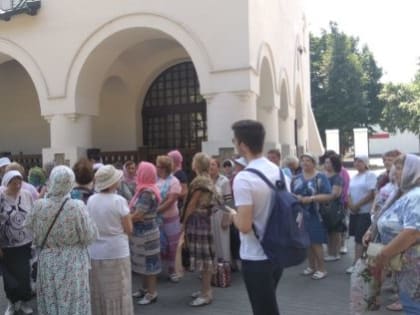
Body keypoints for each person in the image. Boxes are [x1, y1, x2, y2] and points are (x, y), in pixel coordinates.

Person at [25, 165, 98, 315]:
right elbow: (89, 236)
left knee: (51, 300)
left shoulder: (39, 206)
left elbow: (29, 228)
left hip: (48, 260)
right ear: (70, 182)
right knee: (74, 301)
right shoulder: (77, 207)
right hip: (73, 261)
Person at [229, 120, 284, 315]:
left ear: (243, 145)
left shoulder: (244, 178)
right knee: (267, 304)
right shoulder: (278, 171)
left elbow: (244, 226)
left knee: (264, 310)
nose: (234, 144)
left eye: (235, 140)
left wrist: (233, 215)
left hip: (255, 255)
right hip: (278, 250)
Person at [363, 154, 420, 314]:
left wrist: (384, 254)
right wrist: (372, 230)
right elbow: (387, 216)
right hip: (404, 264)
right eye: (395, 168)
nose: (394, 172)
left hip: (414, 267)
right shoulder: (402, 192)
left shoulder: (416, 196)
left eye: (400, 168)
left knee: (414, 307)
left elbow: (413, 233)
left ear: (414, 171)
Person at [87, 165, 134, 315]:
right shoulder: (119, 201)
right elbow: (129, 229)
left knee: (100, 290)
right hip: (117, 250)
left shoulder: (91, 200)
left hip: (96, 251)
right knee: (120, 290)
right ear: (112, 182)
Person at [182, 152, 217, 307]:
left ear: (196, 164)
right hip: (204, 220)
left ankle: (206, 293)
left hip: (198, 221)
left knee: (203, 258)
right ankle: (205, 289)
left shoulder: (199, 181)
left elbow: (191, 204)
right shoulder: (207, 179)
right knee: (204, 257)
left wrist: (183, 222)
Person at [291, 153, 331, 280]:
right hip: (300, 214)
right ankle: (311, 266)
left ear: (314, 163)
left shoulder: (320, 177)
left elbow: (328, 195)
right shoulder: (296, 178)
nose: (305, 163)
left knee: (316, 241)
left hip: (315, 214)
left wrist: (312, 198)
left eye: (308, 160)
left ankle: (322, 268)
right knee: (306, 241)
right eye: (302, 160)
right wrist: (296, 197)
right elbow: (291, 194)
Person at [0, 170, 34, 315]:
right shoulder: (1, 198)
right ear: (6, 183)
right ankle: (11, 303)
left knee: (24, 275)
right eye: (14, 183)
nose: (18, 185)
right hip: (7, 245)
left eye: (19, 182)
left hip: (26, 242)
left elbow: (33, 214)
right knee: (9, 278)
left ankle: (24, 302)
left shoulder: (26, 195)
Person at [129, 162, 161, 305]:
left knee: (150, 263)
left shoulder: (147, 192)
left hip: (146, 233)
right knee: (142, 261)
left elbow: (139, 214)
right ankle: (144, 288)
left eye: (139, 171)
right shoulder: (143, 190)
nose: (136, 174)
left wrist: (121, 218)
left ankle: (152, 293)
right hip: (142, 232)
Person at [346, 155, 377, 274]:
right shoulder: (354, 177)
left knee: (361, 238)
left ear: (366, 163)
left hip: (364, 211)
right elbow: (348, 193)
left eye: (360, 161)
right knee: (357, 238)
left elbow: (371, 194)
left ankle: (357, 263)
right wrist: (351, 206)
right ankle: (361, 262)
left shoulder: (370, 175)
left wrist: (357, 205)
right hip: (354, 212)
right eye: (355, 161)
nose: (357, 164)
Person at [155, 155, 182, 282]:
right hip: (156, 219)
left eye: (158, 166)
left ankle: (172, 270)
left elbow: (171, 200)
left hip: (170, 218)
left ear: (165, 168)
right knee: (158, 244)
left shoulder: (174, 181)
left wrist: (156, 210)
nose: (156, 168)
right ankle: (158, 269)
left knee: (172, 245)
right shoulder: (155, 180)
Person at [322, 154, 346, 261]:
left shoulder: (337, 177)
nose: (326, 164)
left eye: (329, 162)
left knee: (335, 230)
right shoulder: (323, 176)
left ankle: (335, 252)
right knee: (328, 230)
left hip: (334, 207)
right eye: (325, 162)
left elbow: (335, 193)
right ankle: (330, 251)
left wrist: (320, 197)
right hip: (323, 206)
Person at [209, 158, 233, 263]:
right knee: (210, 242)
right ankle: (211, 270)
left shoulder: (224, 181)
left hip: (221, 213)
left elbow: (228, 201)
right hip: (208, 214)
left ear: (218, 167)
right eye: (209, 165)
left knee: (223, 242)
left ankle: (223, 271)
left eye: (213, 164)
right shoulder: (205, 180)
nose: (211, 167)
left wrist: (226, 218)